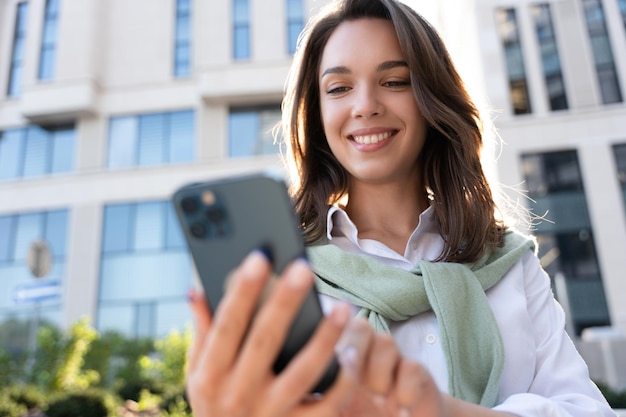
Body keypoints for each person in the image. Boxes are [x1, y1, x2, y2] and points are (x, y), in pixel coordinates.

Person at [186, 0, 617, 416]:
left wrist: (445, 413)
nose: (365, 105)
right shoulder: (286, 276)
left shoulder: (507, 263)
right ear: (317, 115)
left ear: (432, 99)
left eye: (394, 81)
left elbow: (587, 410)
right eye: (338, 88)